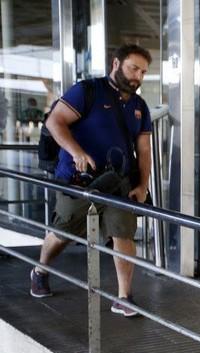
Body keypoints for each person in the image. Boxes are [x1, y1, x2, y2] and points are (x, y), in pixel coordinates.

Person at [29, 44, 153, 318]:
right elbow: (55, 122)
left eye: (143, 72)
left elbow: (144, 150)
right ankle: (40, 270)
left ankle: (124, 297)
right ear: (116, 64)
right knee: (63, 232)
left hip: (118, 182)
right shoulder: (88, 91)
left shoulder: (139, 106)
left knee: (123, 232)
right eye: (134, 68)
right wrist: (77, 152)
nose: (138, 76)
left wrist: (142, 185)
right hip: (78, 180)